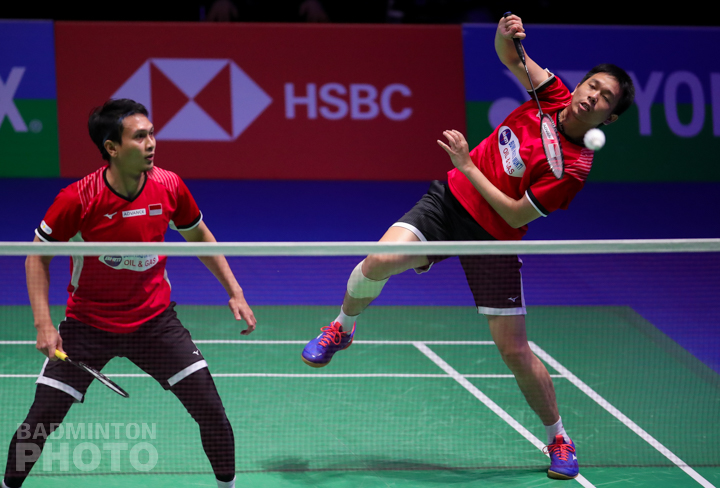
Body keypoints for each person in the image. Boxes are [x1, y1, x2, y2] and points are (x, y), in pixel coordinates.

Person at [301, 13, 635, 480]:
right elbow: (510, 57)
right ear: (580, 85)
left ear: (610, 117)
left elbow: (515, 214)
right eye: (592, 85)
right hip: (449, 204)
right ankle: (342, 327)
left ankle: (559, 437)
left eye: (605, 97)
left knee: (514, 351)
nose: (593, 95)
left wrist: (468, 165)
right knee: (378, 260)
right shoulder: (553, 93)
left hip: (495, 238)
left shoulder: (573, 168)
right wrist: (504, 32)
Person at [2, 99, 256, 488]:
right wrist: (43, 324)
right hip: (87, 326)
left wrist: (234, 290)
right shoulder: (78, 199)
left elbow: (198, 235)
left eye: (151, 133)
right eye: (139, 137)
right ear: (112, 148)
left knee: (211, 411)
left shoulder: (169, 185)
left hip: (154, 323)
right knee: (40, 421)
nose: (151, 143)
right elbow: (36, 257)